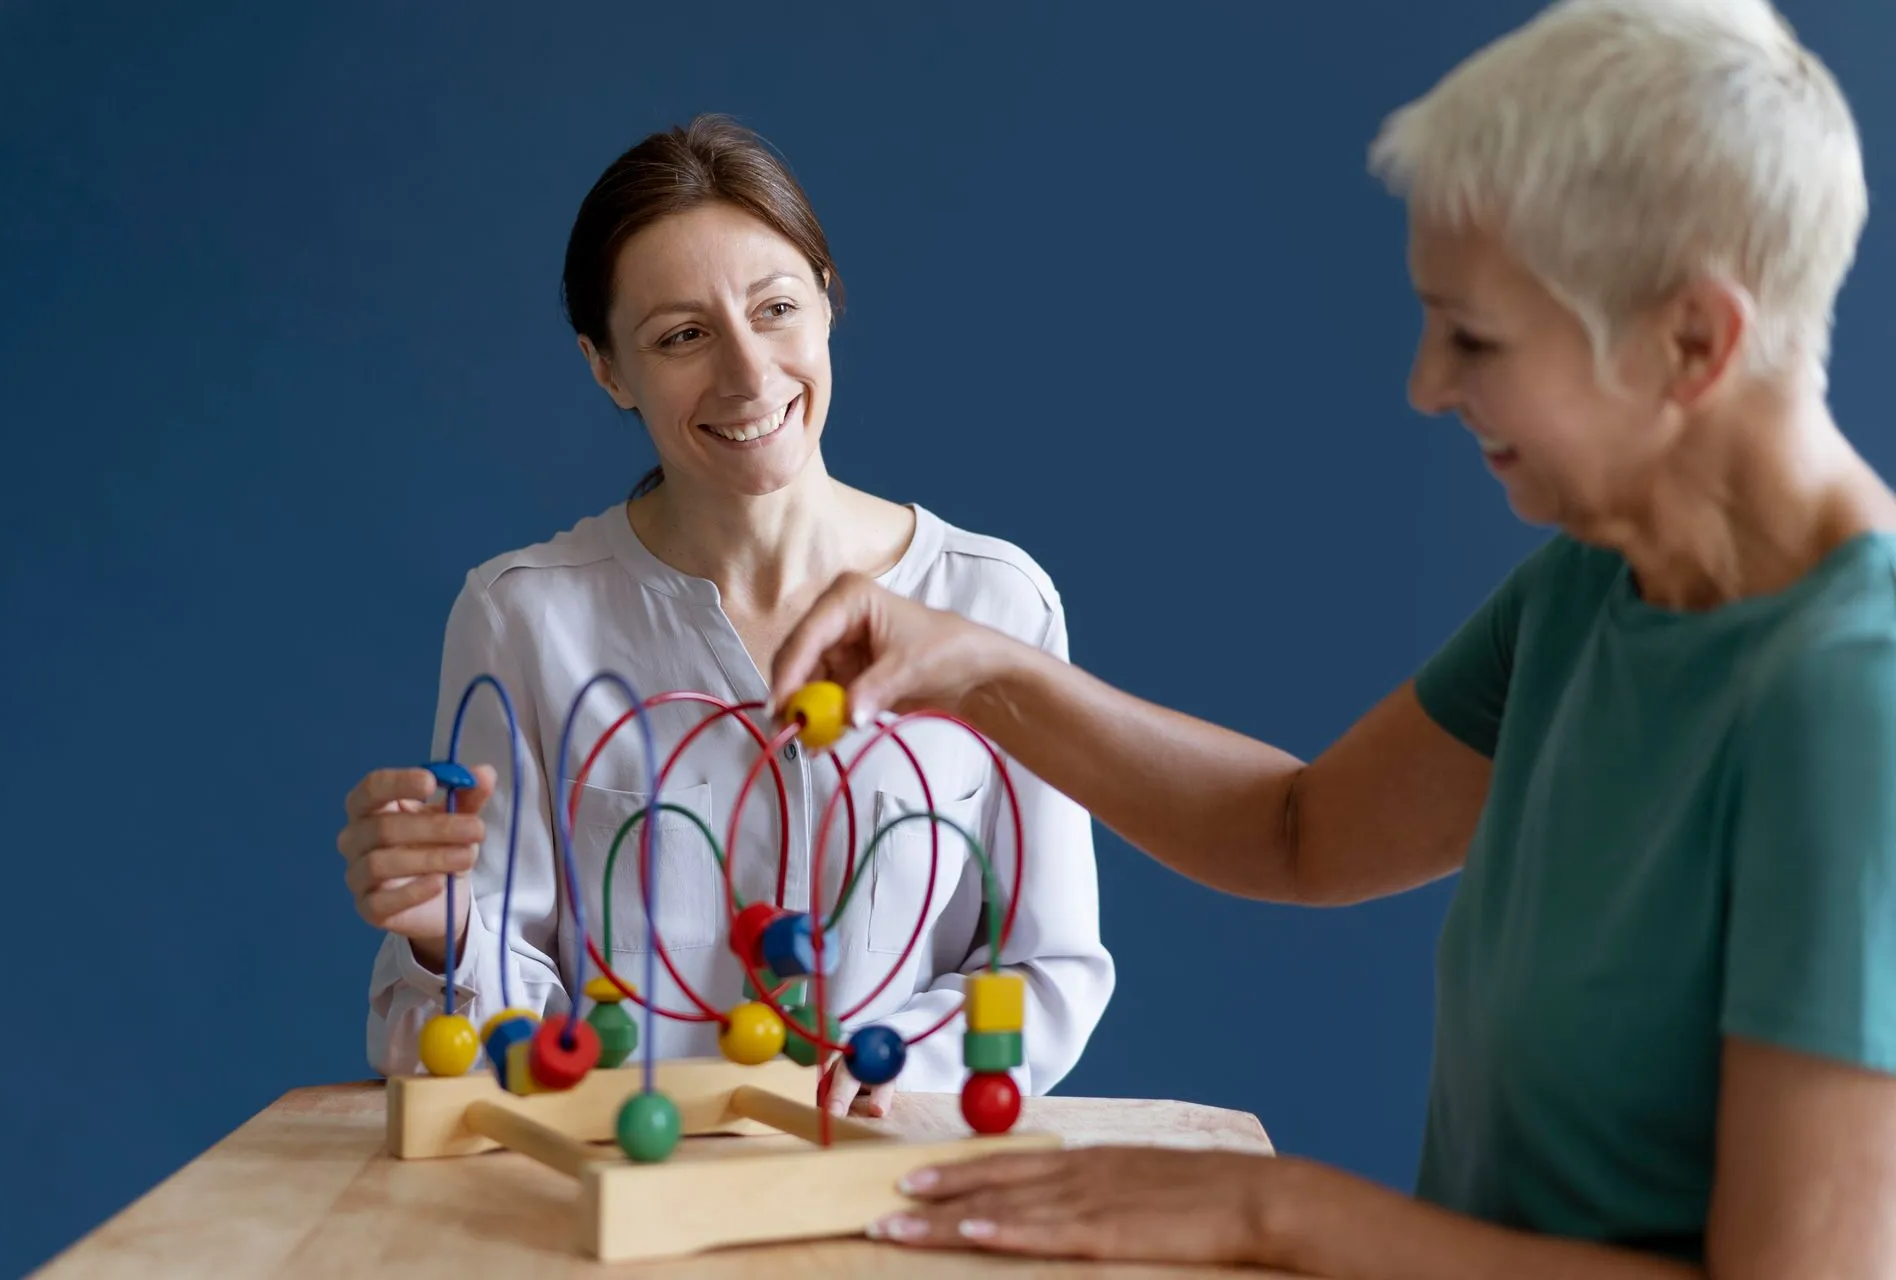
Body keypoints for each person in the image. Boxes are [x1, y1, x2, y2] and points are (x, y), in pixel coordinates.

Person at [767, 0, 1896, 1271]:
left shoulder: (1856, 703)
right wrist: (972, 666)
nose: (1425, 382)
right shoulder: (1594, 586)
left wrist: (1274, 1209)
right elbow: (1298, 830)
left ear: (1694, 337)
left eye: (1474, 335)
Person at [335, 115, 1114, 1116]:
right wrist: (441, 934)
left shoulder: (993, 602)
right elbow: (471, 1045)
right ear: (607, 367)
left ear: (828, 304)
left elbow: (1047, 968)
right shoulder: (522, 617)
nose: (748, 375)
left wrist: (877, 1071)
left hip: (895, 1209)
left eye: (776, 308)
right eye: (683, 336)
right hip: (613, 1222)